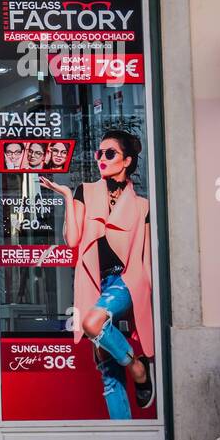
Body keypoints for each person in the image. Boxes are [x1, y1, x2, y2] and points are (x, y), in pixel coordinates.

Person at [40, 130, 154, 419]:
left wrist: (148, 297)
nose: (102, 159)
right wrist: (67, 196)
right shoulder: (85, 192)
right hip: (96, 283)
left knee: (92, 322)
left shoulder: (142, 206)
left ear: (127, 160)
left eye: (110, 153)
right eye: (99, 153)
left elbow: (146, 258)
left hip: (127, 280)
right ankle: (124, 438)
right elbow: (73, 240)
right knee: (105, 365)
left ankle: (137, 366)